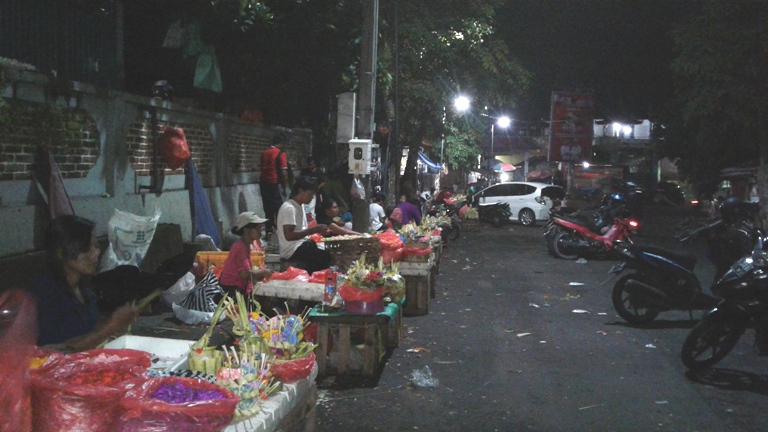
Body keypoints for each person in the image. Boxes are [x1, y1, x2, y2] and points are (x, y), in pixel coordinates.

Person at [26, 215, 139, 352]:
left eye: (96, 247)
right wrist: (111, 326)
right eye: (86, 249)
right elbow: (59, 351)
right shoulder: (44, 293)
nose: (95, 254)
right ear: (60, 252)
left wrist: (119, 319)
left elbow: (89, 328)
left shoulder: (84, 288)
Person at [277, 176, 332, 274]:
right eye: (309, 194)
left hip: (301, 244)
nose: (311, 198)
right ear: (300, 191)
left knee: (323, 251)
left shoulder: (300, 206)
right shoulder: (289, 208)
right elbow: (289, 236)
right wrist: (313, 230)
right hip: (291, 250)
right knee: (323, 257)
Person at [219, 212, 274, 297]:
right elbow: (244, 274)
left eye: (260, 228)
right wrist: (263, 272)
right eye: (257, 229)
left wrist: (260, 275)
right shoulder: (239, 247)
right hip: (231, 291)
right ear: (246, 230)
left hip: (238, 289)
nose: (260, 232)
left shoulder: (245, 246)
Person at [260, 132, 289, 232]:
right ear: (281, 143)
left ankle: (269, 231)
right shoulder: (281, 153)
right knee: (279, 209)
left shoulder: (265, 152)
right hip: (275, 183)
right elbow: (284, 173)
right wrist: (284, 188)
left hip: (263, 183)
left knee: (268, 208)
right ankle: (280, 231)